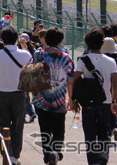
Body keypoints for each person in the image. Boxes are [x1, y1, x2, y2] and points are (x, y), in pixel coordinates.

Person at [68, 28, 117, 165]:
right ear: (102, 43)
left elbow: (73, 80)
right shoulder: (110, 61)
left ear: (87, 43)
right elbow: (115, 84)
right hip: (106, 102)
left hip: (88, 103)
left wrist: (72, 100)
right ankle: (103, 157)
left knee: (90, 136)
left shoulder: (83, 60)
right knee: (104, 131)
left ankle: (92, 162)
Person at [0, 26, 32, 164]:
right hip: (19, 94)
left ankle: (6, 153)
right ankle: (15, 155)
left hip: (1, 93)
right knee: (18, 125)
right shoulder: (26, 55)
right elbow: (30, 76)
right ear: (16, 39)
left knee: (3, 125)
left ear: (2, 39)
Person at [31, 27, 74, 165]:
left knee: (45, 129)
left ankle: (47, 155)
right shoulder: (66, 58)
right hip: (59, 99)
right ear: (60, 41)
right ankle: (56, 152)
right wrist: (71, 99)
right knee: (58, 129)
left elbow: (32, 74)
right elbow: (70, 81)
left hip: (40, 99)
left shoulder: (39, 55)